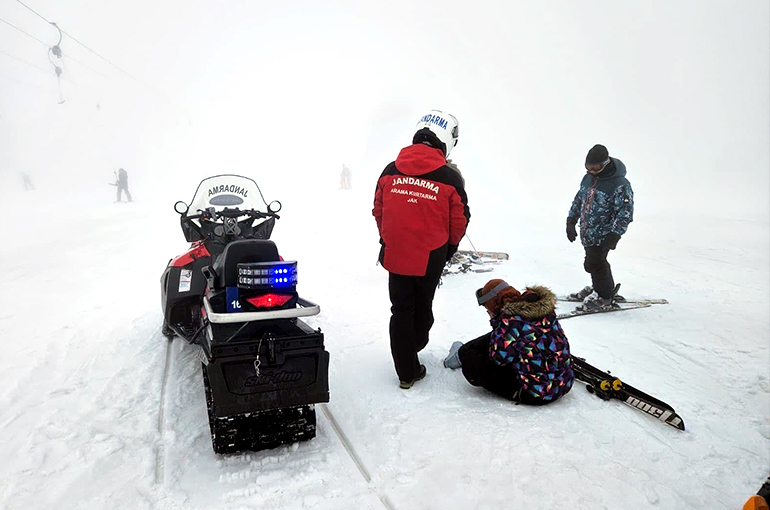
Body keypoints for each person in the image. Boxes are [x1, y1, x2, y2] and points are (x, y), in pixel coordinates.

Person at [373, 109, 470, 389]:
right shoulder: (450, 177)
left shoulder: (390, 170)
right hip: (431, 255)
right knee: (422, 306)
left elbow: (379, 210)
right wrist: (450, 247)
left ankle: (406, 370)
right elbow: (459, 219)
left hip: (396, 252)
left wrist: (388, 238)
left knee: (400, 309)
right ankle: (414, 347)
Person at [443, 279, 574, 404]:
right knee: (493, 339)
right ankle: (461, 352)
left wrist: (497, 323)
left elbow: (499, 359)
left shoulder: (511, 322)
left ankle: (459, 356)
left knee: (471, 361)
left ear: (494, 305)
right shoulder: (541, 310)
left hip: (536, 393)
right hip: (564, 383)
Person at [566, 144, 633, 311]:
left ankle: (604, 297)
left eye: (595, 167)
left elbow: (625, 212)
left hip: (605, 233)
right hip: (587, 231)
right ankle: (600, 288)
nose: (592, 171)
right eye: (588, 167)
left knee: (595, 263)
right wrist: (571, 220)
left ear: (605, 163)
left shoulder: (619, 184)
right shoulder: (588, 178)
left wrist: (615, 235)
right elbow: (578, 200)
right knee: (593, 262)